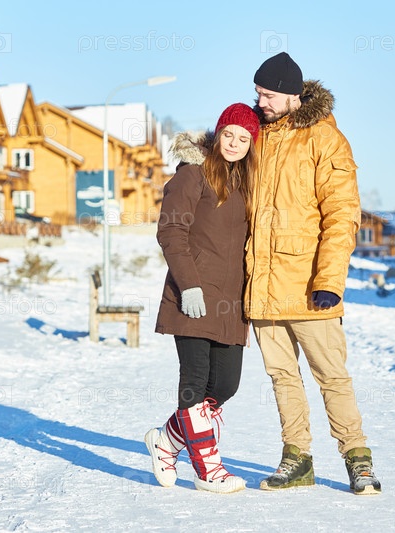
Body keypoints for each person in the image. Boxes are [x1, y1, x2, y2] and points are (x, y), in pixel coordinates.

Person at [246, 52, 382, 495]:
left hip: (309, 286)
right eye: (258, 93)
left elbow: (341, 215)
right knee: (282, 377)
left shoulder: (325, 139)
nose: (261, 102)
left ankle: (358, 459)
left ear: (292, 95)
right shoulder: (256, 138)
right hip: (263, 285)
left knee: (332, 377)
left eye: (268, 95)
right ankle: (297, 458)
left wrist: (329, 280)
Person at [145, 103, 260, 494]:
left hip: (231, 302)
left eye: (243, 138)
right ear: (218, 133)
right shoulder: (192, 174)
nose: (234, 143)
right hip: (192, 294)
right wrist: (189, 284)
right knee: (193, 384)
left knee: (224, 385)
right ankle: (208, 470)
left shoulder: (247, 181)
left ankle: (167, 441)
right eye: (228, 134)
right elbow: (171, 232)